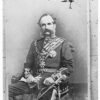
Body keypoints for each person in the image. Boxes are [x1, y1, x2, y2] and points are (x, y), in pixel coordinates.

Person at [9, 13, 74, 100]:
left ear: (54, 25)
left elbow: (68, 67)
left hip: (51, 81)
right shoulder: (35, 44)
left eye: (49, 24)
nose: (46, 27)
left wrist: (53, 78)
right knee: (7, 90)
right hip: (33, 81)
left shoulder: (63, 43)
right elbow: (28, 64)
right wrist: (28, 76)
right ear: (40, 27)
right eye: (43, 25)